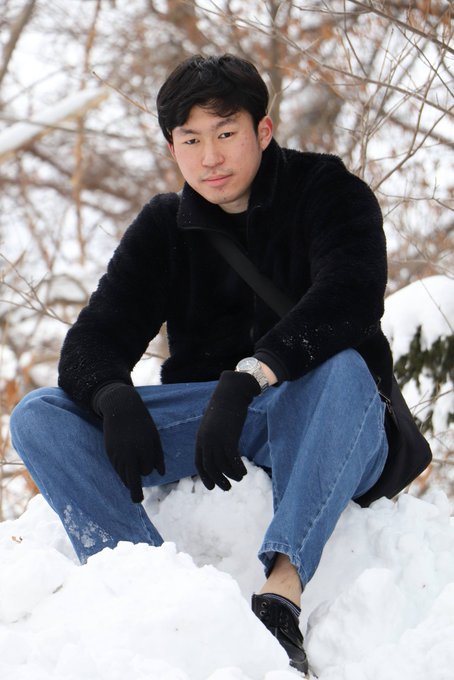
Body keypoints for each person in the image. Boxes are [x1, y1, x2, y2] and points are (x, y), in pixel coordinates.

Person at [10, 54, 422, 674]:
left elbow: (350, 298)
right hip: (216, 426)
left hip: (331, 416)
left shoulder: (327, 190)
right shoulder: (164, 226)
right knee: (40, 415)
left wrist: (253, 374)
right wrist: (111, 397)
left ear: (263, 129)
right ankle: (152, 590)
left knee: (342, 368)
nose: (210, 158)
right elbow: (95, 337)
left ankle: (280, 595)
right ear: (171, 147)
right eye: (191, 140)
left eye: (226, 133)